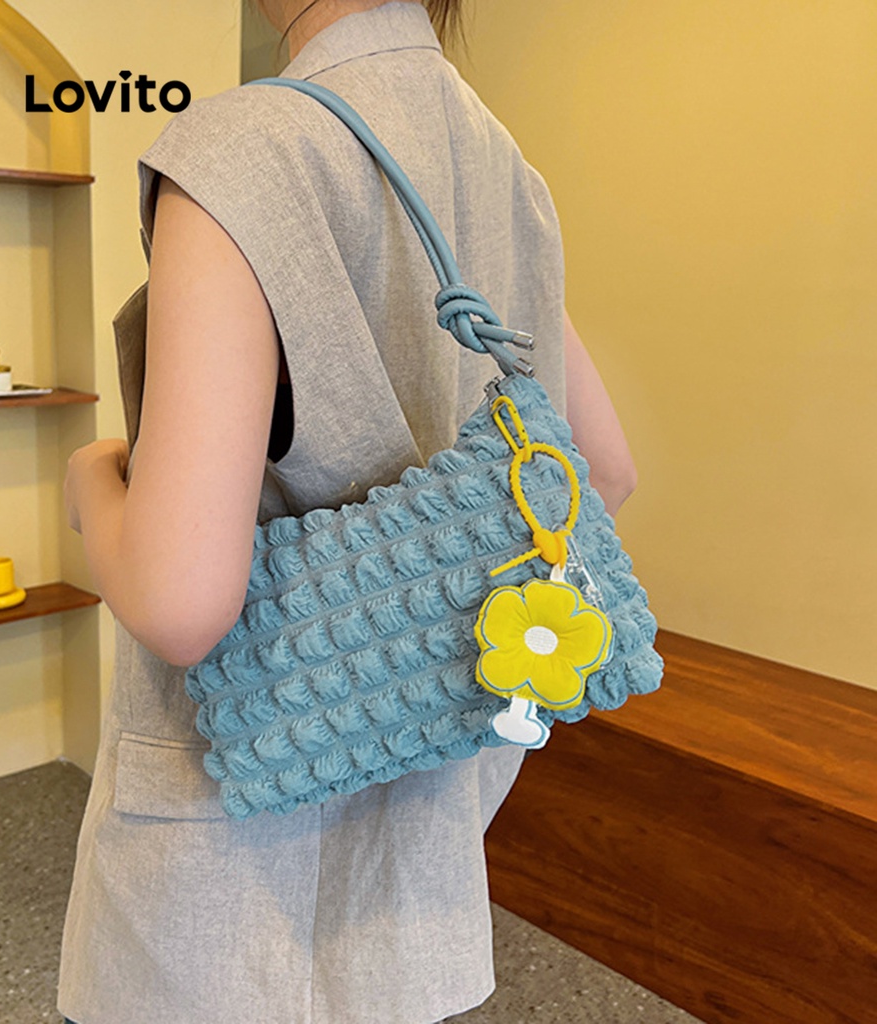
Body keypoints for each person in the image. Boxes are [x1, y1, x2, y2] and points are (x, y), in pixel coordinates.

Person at [59, 2, 636, 1022]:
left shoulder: (245, 149)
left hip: (235, 859)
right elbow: (604, 473)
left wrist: (89, 481)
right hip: (426, 821)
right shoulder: (513, 178)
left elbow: (180, 602)